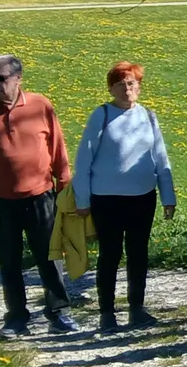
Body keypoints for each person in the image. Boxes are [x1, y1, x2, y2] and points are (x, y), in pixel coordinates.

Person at [0, 54, 79, 338]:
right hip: (0, 202)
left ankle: (59, 313)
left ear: (18, 79)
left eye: (0, 78)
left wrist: (66, 192)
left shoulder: (40, 106)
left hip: (41, 197)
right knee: (9, 261)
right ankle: (16, 318)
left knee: (51, 258)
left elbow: (58, 152)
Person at [73, 61, 178, 331]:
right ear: (111, 89)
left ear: (139, 87)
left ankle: (137, 309)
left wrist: (168, 196)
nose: (127, 89)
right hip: (106, 199)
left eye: (131, 83)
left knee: (138, 253)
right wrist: (82, 201)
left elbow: (160, 158)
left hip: (142, 198)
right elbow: (84, 160)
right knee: (110, 254)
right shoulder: (102, 115)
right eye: (120, 84)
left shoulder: (148, 116)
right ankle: (107, 313)